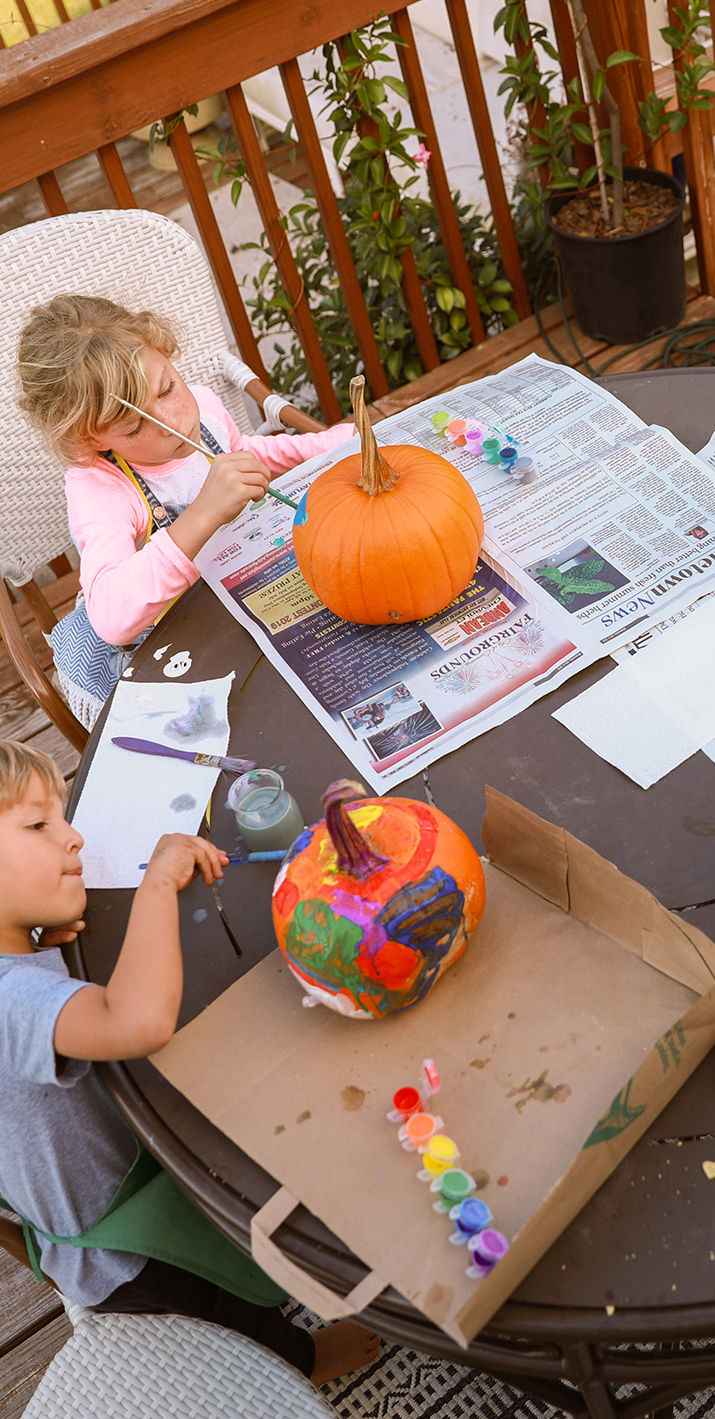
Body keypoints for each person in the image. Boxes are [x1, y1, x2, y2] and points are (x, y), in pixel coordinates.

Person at [0, 738, 380, 1386]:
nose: (73, 839)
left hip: (115, 1184)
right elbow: (138, 1021)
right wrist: (156, 882)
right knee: (231, 1315)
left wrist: (37, 945)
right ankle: (299, 1365)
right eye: (38, 825)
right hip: (130, 1249)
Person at [17, 296, 356, 726]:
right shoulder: (98, 487)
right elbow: (112, 617)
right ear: (89, 438)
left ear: (164, 350)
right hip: (168, 639)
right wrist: (204, 513)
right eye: (135, 425)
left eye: (167, 388)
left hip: (236, 591)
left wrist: (329, 446)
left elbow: (245, 454)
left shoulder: (205, 406)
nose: (172, 421)